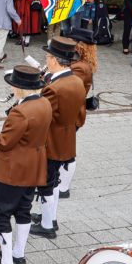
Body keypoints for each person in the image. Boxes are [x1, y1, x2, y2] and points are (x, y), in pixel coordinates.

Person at [0, 66, 51, 264]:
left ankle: (7, 263)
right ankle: (19, 253)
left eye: (13, 85)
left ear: (19, 88)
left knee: (0, 214)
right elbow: (25, 138)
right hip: (33, 167)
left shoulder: (20, 111)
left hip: (13, 171)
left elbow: (5, 141)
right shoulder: (44, 103)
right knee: (22, 210)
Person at [34, 38, 85, 238]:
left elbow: (40, 115)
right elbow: (80, 115)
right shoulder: (76, 81)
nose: (46, 60)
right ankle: (50, 217)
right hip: (67, 137)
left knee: (46, 182)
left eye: (48, 57)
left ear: (55, 60)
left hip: (51, 141)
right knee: (53, 181)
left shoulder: (54, 87)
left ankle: (47, 225)